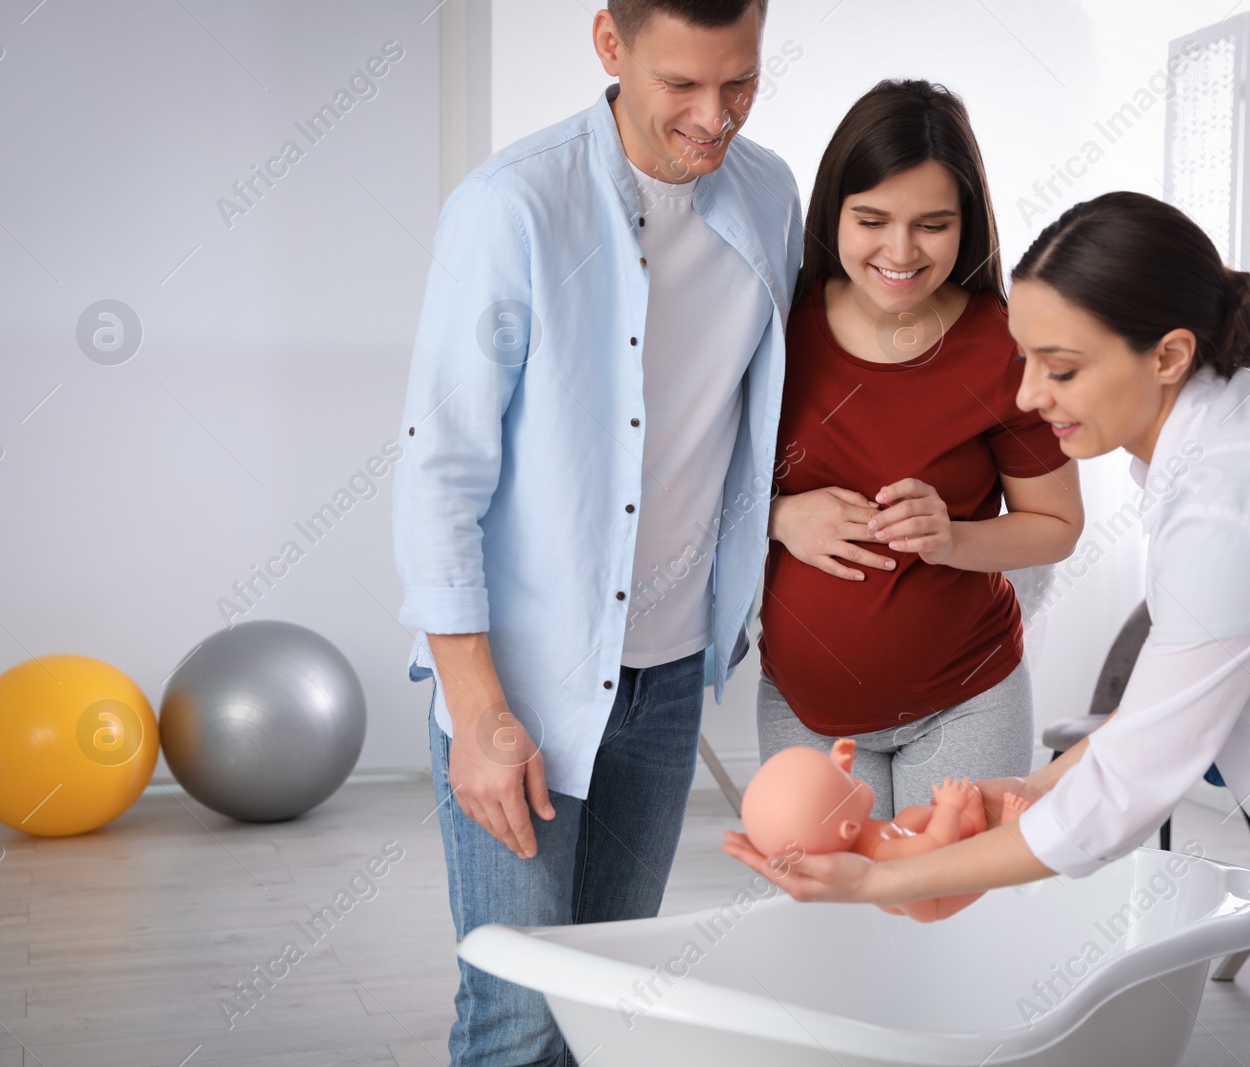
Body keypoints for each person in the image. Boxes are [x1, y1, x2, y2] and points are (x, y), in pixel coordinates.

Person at [724, 191, 1250, 1067]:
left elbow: (1128, 791)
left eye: (1059, 369)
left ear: (1169, 354)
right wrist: (1012, 795)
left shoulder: (1240, 492)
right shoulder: (1223, 442)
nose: (1027, 396)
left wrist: (881, 877)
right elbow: (1150, 724)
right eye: (1022, 359)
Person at [392, 1, 801, 1062]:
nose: (714, 119)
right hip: (518, 682)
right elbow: (439, 472)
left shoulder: (769, 194)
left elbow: (755, 420)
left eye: (740, 82)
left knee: (608, 1001)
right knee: (519, 1011)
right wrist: (476, 710)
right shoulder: (511, 206)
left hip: (669, 676)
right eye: (682, 86)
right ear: (609, 48)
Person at [757, 79, 1083, 820]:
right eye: (872, 220)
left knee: (942, 924)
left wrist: (953, 536)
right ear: (833, 211)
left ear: (968, 222)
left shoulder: (1001, 345)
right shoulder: (777, 327)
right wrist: (776, 517)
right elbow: (693, 484)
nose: (900, 252)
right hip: (805, 711)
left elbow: (1059, 525)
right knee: (826, 926)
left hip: (965, 705)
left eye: (932, 224)